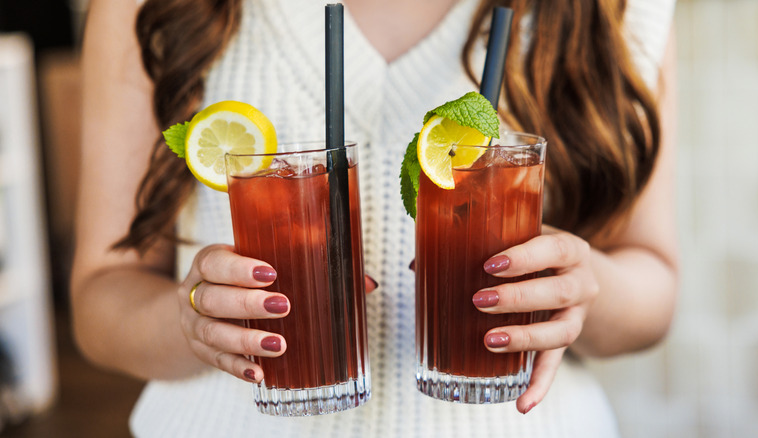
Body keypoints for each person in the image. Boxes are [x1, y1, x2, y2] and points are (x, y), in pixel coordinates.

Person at [71, 0, 678, 436]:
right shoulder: (144, 9)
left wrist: (581, 286)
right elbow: (98, 300)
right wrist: (193, 321)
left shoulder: (619, 10)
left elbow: (656, 291)